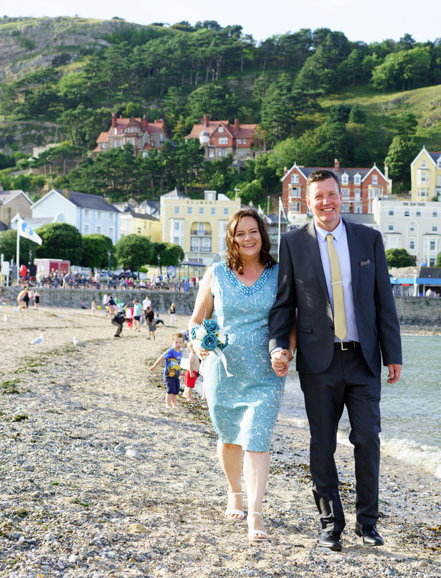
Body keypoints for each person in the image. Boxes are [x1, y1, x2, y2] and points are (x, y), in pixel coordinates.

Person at [268, 169, 403, 553]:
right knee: (321, 444)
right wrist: (279, 344)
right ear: (306, 203)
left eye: (332, 195)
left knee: (368, 440)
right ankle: (330, 524)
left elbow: (383, 301)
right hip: (318, 362)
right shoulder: (293, 243)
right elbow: (285, 303)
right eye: (318, 197)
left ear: (341, 196)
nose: (326, 202)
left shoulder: (368, 239)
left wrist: (393, 355)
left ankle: (368, 524)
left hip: (363, 360)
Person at [189, 207, 292, 543]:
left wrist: (287, 351)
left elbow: (289, 319)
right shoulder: (216, 273)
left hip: (266, 371)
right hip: (223, 369)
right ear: (231, 240)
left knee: (258, 440)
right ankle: (234, 491)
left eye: (253, 231)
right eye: (240, 233)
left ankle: (256, 513)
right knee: (230, 438)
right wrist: (197, 344)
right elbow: (196, 321)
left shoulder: (280, 273)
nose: (247, 238)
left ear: (263, 235)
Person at [149, 332, 184, 409]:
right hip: (168, 375)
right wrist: (154, 366)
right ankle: (168, 404)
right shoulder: (170, 351)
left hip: (176, 375)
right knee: (170, 390)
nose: (178, 344)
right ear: (172, 343)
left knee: (176, 391)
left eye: (180, 342)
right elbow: (161, 357)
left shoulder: (180, 352)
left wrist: (180, 372)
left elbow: (178, 364)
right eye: (176, 342)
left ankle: (174, 404)